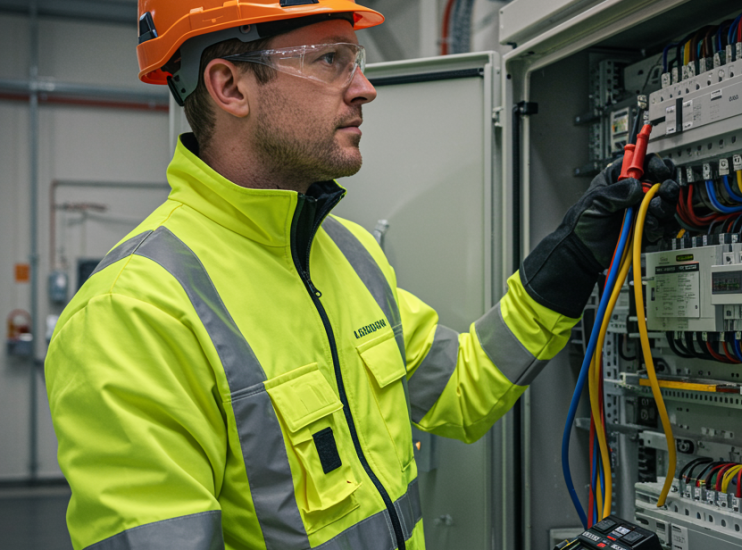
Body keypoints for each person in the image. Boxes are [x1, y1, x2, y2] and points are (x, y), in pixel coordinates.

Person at [44, 1, 679, 549]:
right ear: (230, 87)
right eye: (330, 60)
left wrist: (571, 258)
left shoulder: (345, 252)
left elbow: (462, 387)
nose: (365, 88)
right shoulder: (133, 312)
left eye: (358, 59)